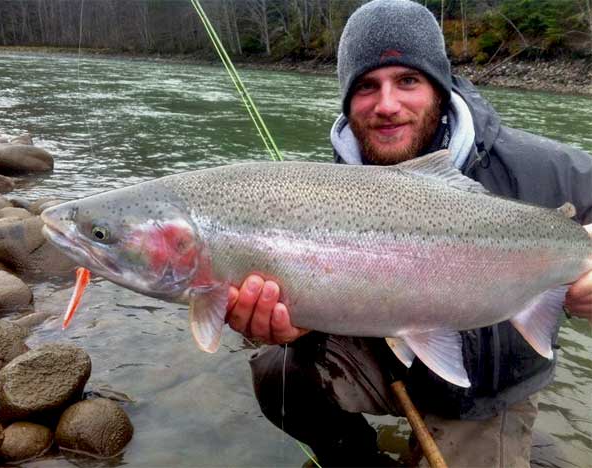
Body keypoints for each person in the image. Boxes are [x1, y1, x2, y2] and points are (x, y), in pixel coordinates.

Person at [225, 0, 592, 466]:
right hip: (392, 354)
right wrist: (289, 328)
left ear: (439, 88)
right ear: (347, 99)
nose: (387, 105)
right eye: (366, 86)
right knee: (279, 376)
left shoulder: (542, 168)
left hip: (490, 388)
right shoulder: (330, 184)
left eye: (408, 81)